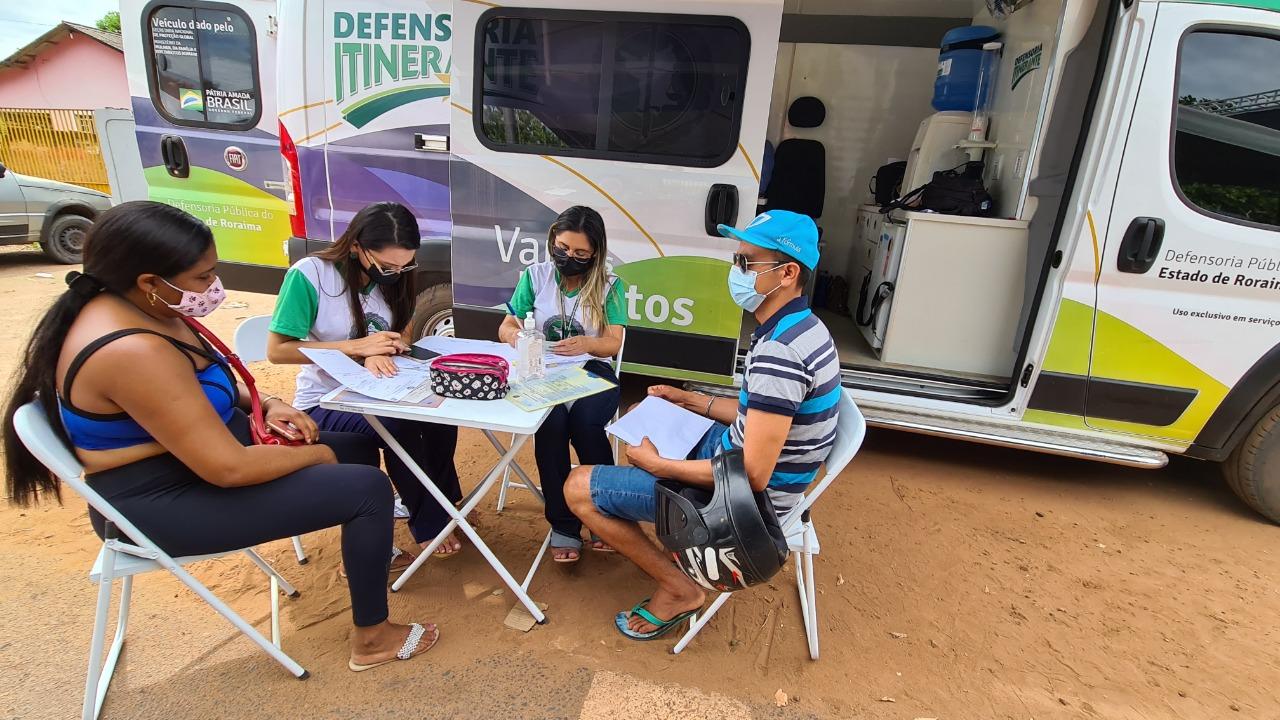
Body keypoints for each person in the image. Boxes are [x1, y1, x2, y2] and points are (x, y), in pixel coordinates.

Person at [1, 201, 437, 670]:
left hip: (187, 465)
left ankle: (360, 559)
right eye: (203, 277)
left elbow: (216, 382)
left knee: (356, 445)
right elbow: (228, 468)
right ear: (150, 281)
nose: (214, 288)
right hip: (158, 502)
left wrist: (266, 403)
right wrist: (315, 456)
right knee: (366, 486)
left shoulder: (147, 308)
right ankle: (372, 639)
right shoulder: (132, 350)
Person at [564, 210, 841, 640]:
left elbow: (751, 475)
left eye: (747, 263)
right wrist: (691, 399)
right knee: (655, 423)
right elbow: (760, 417)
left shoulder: (779, 353)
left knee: (576, 487)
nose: (737, 272)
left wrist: (664, 468)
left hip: (749, 504)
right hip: (740, 465)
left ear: (787, 273)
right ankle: (668, 540)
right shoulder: (799, 328)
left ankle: (680, 588)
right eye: (737, 260)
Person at [267, 202, 464, 561]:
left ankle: (444, 501)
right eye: (387, 266)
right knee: (399, 426)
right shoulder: (311, 275)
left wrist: (389, 345)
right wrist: (355, 349)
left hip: (380, 388)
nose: (395, 272)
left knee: (441, 418)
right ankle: (430, 523)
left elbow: (396, 328)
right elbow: (278, 350)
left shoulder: (392, 277)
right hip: (326, 400)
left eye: (405, 265)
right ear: (356, 245)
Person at [498, 206, 626, 563]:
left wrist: (587, 343)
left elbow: (613, 342)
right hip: (543, 369)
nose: (568, 258)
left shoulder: (610, 284)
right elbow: (507, 324)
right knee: (550, 426)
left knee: (586, 424)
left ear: (595, 253)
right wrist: (517, 336)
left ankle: (604, 516)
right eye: (562, 248)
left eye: (580, 253)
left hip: (591, 368)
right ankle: (564, 525)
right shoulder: (535, 275)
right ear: (552, 242)